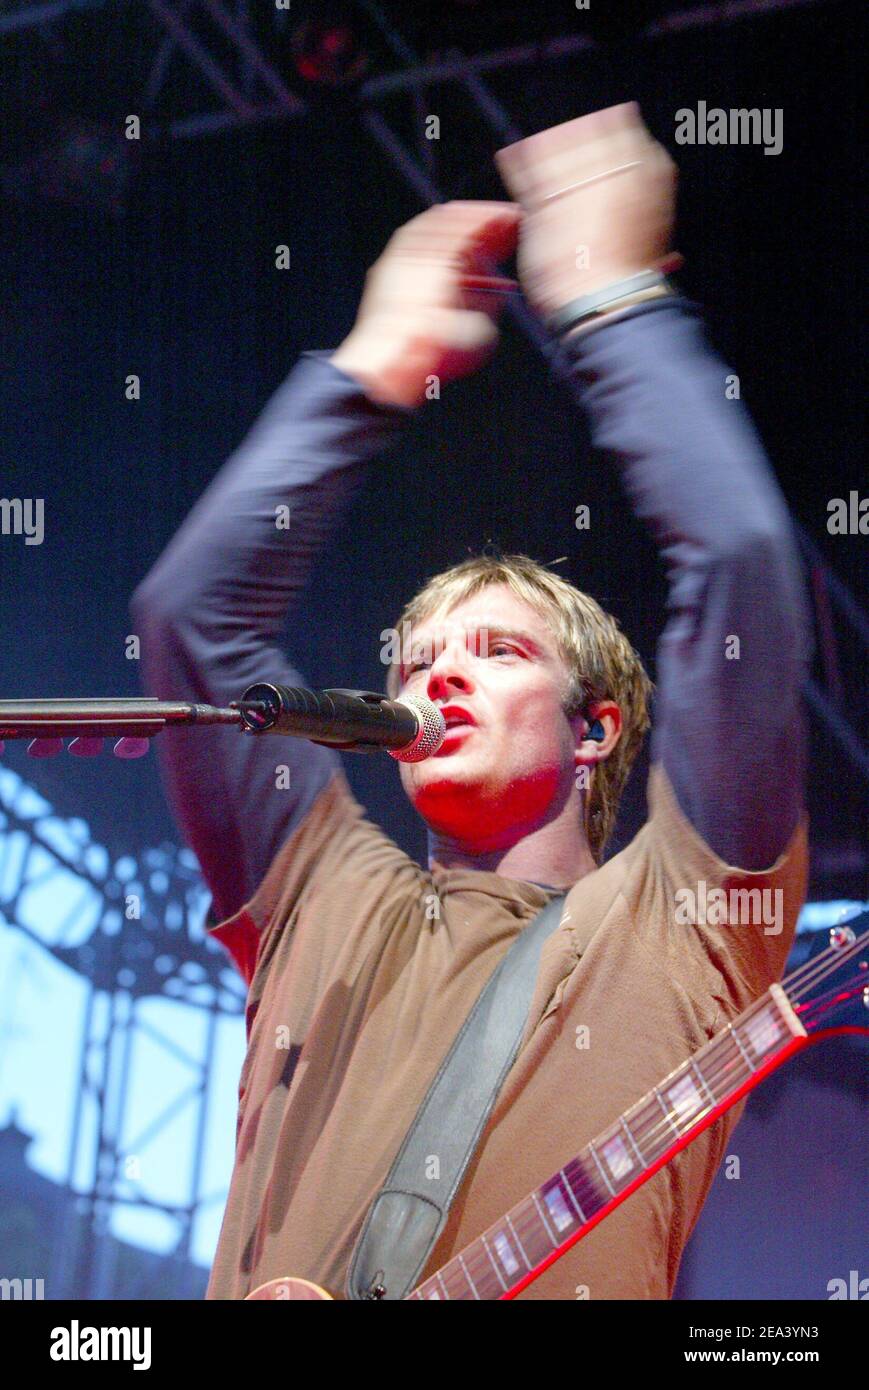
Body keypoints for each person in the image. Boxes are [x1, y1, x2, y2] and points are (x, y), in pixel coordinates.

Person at [130, 104, 811, 1300]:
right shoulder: (323, 893)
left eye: (495, 652)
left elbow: (743, 564)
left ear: (595, 727)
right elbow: (191, 623)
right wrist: (371, 366)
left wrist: (608, 304)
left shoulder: (683, 917)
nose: (432, 675)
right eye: (412, 659)